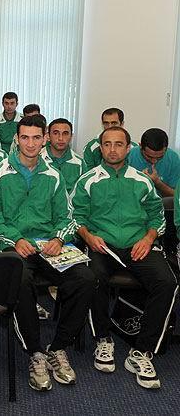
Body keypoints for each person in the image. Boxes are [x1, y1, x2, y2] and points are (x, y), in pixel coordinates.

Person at [0, 114, 94, 392]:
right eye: (25, 137)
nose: (30, 144)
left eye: (36, 138)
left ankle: (58, 347)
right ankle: (35, 352)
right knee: (19, 281)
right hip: (14, 245)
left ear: (44, 139)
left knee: (85, 278)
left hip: (49, 246)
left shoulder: (53, 175)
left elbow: (66, 217)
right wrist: (15, 238)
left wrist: (59, 238)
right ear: (16, 139)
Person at [72, 126, 177, 389]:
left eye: (118, 144)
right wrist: (87, 236)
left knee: (167, 282)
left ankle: (142, 351)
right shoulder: (88, 180)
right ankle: (103, 339)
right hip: (102, 245)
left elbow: (157, 217)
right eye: (107, 144)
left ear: (128, 148)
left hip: (138, 244)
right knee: (92, 277)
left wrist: (149, 238)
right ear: (101, 148)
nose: (112, 149)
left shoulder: (142, 180)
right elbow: (75, 217)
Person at [127, 128, 180, 197]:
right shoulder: (129, 156)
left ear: (166, 149)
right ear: (140, 146)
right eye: (149, 156)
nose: (154, 161)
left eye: (160, 157)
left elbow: (176, 196)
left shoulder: (173, 158)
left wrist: (158, 183)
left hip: (162, 201)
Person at [40, 118, 85, 193]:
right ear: (48, 136)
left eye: (65, 133)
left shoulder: (79, 163)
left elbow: (82, 193)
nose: (60, 138)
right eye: (56, 133)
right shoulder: (37, 159)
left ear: (71, 136)